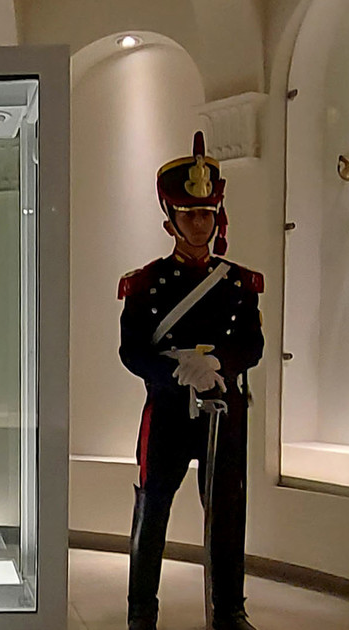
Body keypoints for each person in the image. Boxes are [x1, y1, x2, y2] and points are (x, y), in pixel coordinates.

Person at [118, 132, 264, 630]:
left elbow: (253, 345)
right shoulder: (145, 285)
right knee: (152, 508)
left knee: (227, 512)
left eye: (206, 214)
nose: (199, 223)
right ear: (170, 221)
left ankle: (230, 610)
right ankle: (141, 611)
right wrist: (176, 370)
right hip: (167, 411)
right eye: (189, 215)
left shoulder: (239, 283)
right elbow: (132, 350)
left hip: (223, 412)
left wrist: (219, 363)